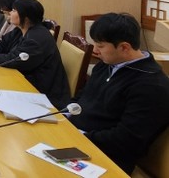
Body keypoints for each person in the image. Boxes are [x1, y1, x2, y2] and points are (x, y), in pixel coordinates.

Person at [69, 13, 169, 174]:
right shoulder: (106, 65)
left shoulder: (152, 85)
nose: (95, 50)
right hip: (77, 138)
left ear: (124, 47)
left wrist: (81, 136)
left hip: (107, 158)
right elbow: (82, 97)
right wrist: (65, 115)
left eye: (100, 46)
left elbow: (126, 139)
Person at [0, 0, 70, 109]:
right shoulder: (21, 29)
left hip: (42, 92)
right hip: (25, 79)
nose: (10, 13)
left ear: (26, 17)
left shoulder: (36, 39)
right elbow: (3, 43)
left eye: (14, 10)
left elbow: (13, 60)